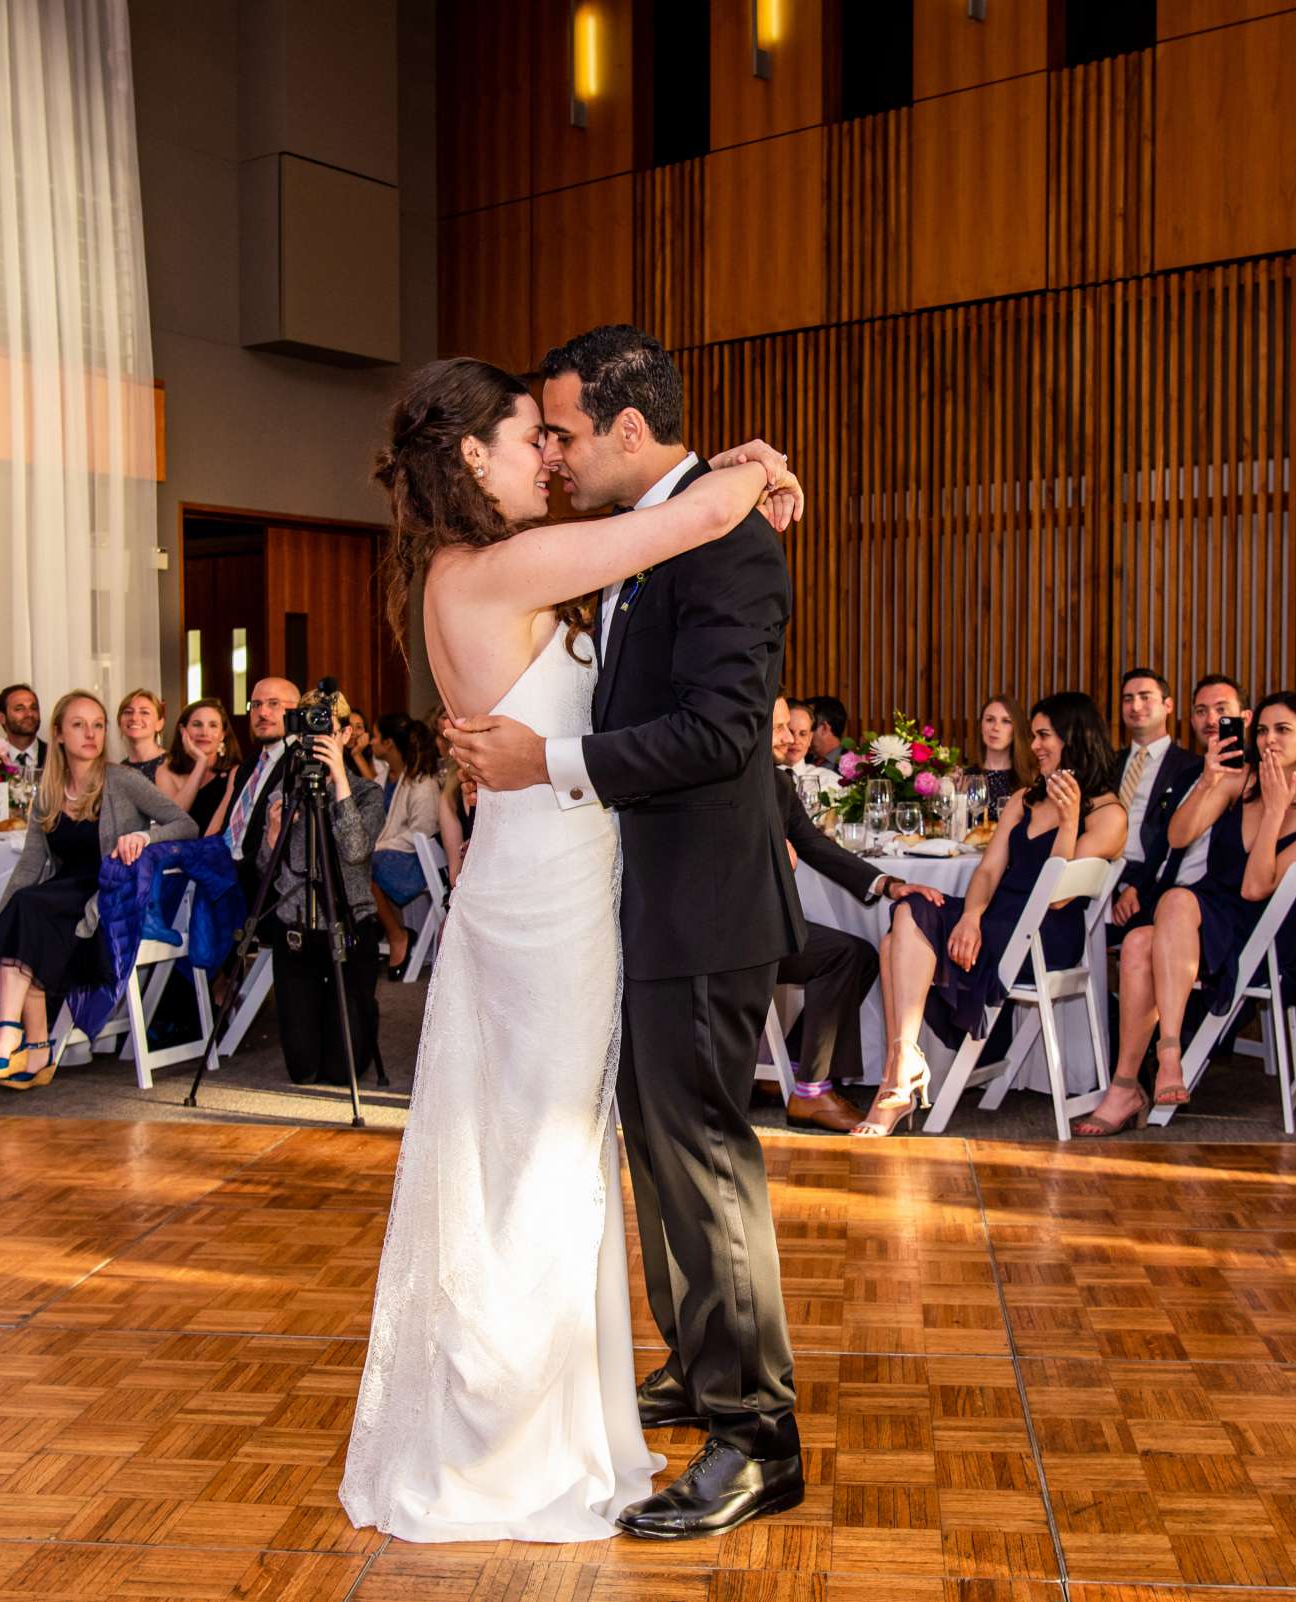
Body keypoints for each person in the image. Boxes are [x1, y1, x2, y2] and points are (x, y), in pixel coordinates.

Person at [349, 337, 803, 1544]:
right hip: (557, 905)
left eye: (558, 433)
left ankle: (735, 1419)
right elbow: (676, 518)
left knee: (629, 1160)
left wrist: (740, 477)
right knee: (562, 1165)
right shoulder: (515, 567)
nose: (545, 457)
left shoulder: (486, 567)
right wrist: (750, 469)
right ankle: (552, 1399)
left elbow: (711, 718)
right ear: (470, 456)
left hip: (608, 898)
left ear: (622, 429)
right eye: (525, 437)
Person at [1082, 692, 1296, 1134]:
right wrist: (1207, 780)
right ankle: (1130, 1082)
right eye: (1262, 730)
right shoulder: (1238, 780)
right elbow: (1179, 836)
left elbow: (1256, 886)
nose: (1268, 741)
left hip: (1257, 934)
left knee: (1174, 906)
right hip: (1200, 917)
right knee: (1137, 940)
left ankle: (1162, 1057)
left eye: (1283, 730)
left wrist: (1277, 811)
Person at [874, 692, 1126, 1136]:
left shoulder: (1108, 813)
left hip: (1045, 935)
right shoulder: (1025, 798)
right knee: (909, 910)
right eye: (1033, 736)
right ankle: (902, 1064)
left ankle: (897, 1077)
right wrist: (970, 916)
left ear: (1075, 738)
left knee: (898, 939)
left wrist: (1069, 824)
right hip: (996, 919)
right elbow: (989, 870)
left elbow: (1059, 897)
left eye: (1044, 735)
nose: (1036, 746)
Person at [0, 692, 197, 1092]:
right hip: (60, 895)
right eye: (79, 725)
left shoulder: (122, 780)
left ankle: (12, 1034)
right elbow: (30, 863)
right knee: (22, 913)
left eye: (98, 725)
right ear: (58, 734)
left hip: (106, 897)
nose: (91, 733)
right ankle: (35, 1047)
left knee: (29, 912)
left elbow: (184, 824)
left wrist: (143, 837)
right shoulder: (49, 787)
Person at [767, 691, 941, 1133]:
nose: (790, 738)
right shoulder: (726, 780)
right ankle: (811, 1089)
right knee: (843, 955)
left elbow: (814, 846)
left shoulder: (777, 783)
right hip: (727, 933)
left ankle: (804, 1072)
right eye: (781, 726)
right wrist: (767, 852)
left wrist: (889, 884)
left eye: (794, 728)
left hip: (764, 926)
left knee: (856, 954)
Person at [218, 678, 387, 1087]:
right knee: (304, 1070)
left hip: (349, 929)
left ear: (345, 734)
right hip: (297, 930)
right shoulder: (286, 789)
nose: (317, 739)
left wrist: (338, 783)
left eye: (327, 729)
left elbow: (354, 852)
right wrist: (273, 837)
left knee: (340, 1070)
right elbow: (265, 868)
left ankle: (363, 1014)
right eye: (309, 730)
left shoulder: (366, 793)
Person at [1107, 668, 1204, 933]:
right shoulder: (1109, 764)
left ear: (1168, 705)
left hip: (1154, 879)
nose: (1135, 706)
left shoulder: (1191, 767)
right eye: (1128, 699)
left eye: (1145, 697)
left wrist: (1136, 885)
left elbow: (1178, 843)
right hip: (1102, 874)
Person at [365, 712, 440, 979]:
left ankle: (398, 936)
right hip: (392, 851)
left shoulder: (422, 782)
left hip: (417, 860)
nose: (370, 742)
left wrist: (379, 846)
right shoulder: (387, 777)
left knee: (365, 867)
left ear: (388, 744)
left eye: (374, 736)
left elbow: (423, 831)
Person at [159, 698, 239, 827]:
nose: (204, 732)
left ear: (223, 734)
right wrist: (201, 763)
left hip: (215, 845)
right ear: (182, 730)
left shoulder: (236, 771)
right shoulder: (166, 771)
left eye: (213, 725)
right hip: (176, 844)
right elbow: (172, 820)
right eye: (197, 724)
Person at [971, 696, 1034, 792]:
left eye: (1006, 721)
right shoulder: (966, 778)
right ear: (981, 726)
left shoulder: (1032, 778)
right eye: (990, 720)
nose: (996, 728)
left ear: (1016, 729)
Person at [1187, 674, 1249, 754]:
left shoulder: (1261, 765)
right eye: (1201, 711)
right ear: (1193, 722)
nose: (1210, 721)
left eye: (1221, 710)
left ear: (1245, 719)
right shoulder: (1181, 765)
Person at [117, 689, 169, 781]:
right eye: (128, 712)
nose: (134, 718)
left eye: (144, 712)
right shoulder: (120, 769)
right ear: (119, 722)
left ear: (159, 724)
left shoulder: (173, 765)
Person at [0, 684, 46, 774]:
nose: (29, 714)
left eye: (34, 708)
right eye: (19, 709)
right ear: (1, 718)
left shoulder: (57, 755)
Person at [804, 695, 847, 768]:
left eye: (807, 723)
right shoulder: (800, 759)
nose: (802, 728)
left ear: (824, 728)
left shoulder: (856, 766)